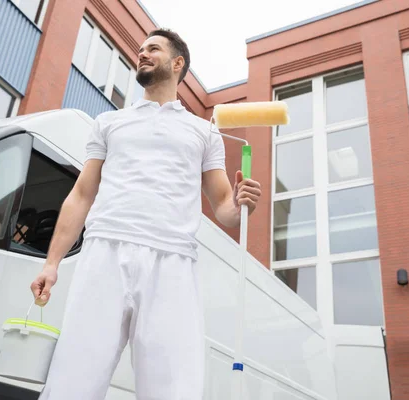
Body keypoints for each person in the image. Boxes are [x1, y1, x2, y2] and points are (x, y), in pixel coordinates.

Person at [31, 28, 262, 400]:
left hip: (173, 259)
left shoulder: (204, 132)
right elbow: (81, 194)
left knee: (172, 387)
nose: (142, 53)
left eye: (152, 48)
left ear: (177, 63)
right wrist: (51, 263)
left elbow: (223, 207)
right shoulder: (108, 123)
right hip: (105, 249)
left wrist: (241, 203)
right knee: (73, 377)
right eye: (140, 49)